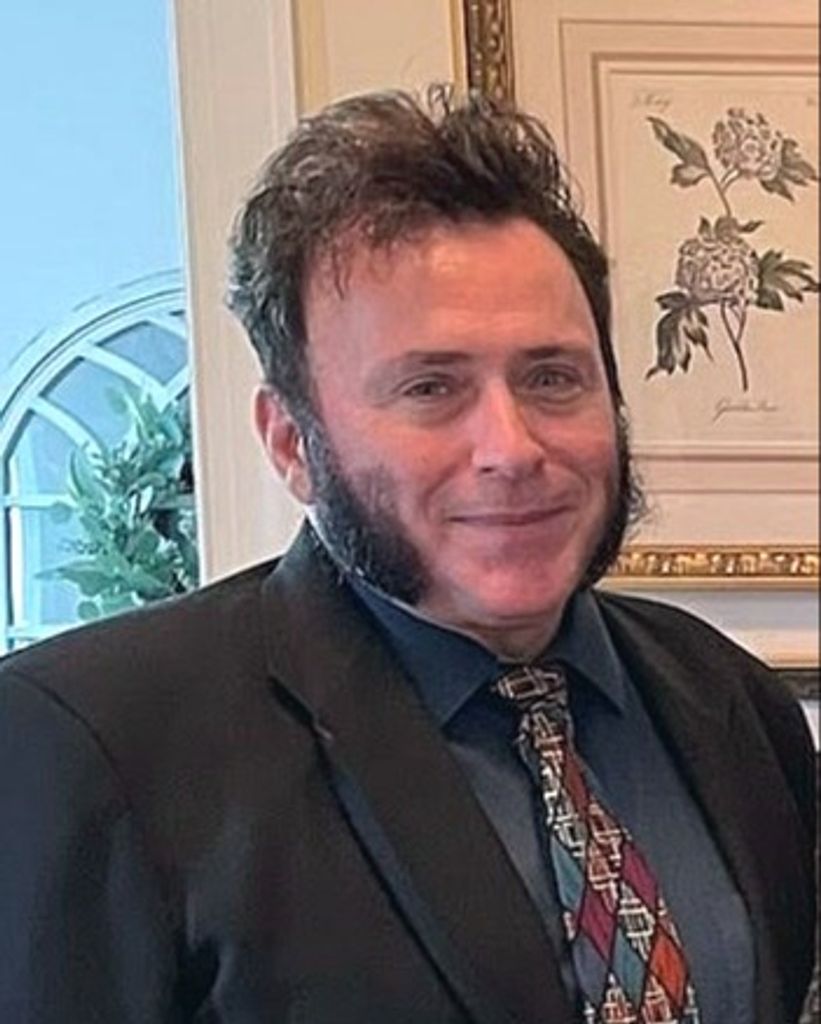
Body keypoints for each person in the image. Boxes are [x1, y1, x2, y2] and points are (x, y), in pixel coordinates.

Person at [0, 88, 815, 1024]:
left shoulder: (733, 704)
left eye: (552, 378)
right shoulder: (93, 745)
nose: (511, 448)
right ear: (290, 442)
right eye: (431, 388)